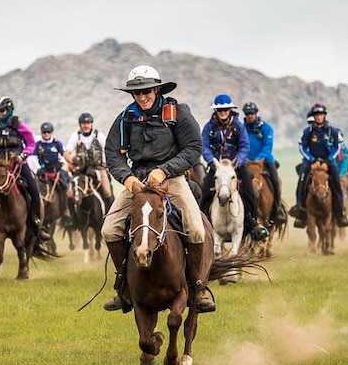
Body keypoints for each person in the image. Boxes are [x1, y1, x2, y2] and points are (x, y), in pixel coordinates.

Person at [101, 64, 215, 314]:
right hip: (138, 182)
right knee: (109, 229)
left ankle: (198, 288)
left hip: (171, 179)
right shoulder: (125, 118)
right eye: (137, 93)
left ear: (157, 89)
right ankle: (124, 286)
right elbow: (113, 154)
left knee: (196, 229)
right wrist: (127, 178)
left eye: (147, 91)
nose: (142, 97)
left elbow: (193, 147)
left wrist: (164, 170)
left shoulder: (177, 113)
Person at [0, 96, 51, 248]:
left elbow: (31, 144)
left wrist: (22, 155)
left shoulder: (20, 126)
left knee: (33, 189)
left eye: (2, 111)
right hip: (0, 166)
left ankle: (37, 224)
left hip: (18, 165)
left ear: (9, 111)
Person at [199, 95, 269, 240]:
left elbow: (244, 146)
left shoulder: (238, 126)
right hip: (217, 167)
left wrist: (238, 161)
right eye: (220, 109)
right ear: (216, 111)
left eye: (225, 109)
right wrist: (211, 161)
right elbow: (204, 146)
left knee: (250, 189)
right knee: (205, 190)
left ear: (230, 110)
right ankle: (203, 223)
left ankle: (253, 222)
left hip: (236, 167)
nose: (223, 112)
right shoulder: (209, 127)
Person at [289, 103, 348, 229]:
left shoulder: (332, 130)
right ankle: (300, 211)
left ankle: (340, 212)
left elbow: (338, 146)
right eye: (316, 115)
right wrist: (311, 159)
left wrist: (329, 159)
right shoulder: (308, 131)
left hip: (329, 161)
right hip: (311, 162)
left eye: (321, 115)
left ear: (324, 116)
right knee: (301, 182)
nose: (318, 117)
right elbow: (302, 146)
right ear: (314, 116)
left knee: (337, 184)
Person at [242, 101, 286, 225]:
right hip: (246, 162)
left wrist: (258, 159)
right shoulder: (241, 128)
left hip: (265, 160)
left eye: (252, 113)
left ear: (256, 113)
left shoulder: (266, 128)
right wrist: (245, 159)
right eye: (247, 113)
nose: (250, 115)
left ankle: (277, 208)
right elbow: (239, 145)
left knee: (276, 181)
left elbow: (268, 146)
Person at [64, 112, 114, 210]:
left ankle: (111, 217)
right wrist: (73, 160)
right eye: (84, 123)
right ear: (80, 125)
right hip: (81, 171)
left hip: (98, 169)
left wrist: (107, 163)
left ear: (92, 124)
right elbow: (66, 153)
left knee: (107, 192)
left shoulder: (99, 136)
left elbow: (109, 150)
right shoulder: (75, 136)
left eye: (88, 123)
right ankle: (71, 219)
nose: (86, 125)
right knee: (70, 194)